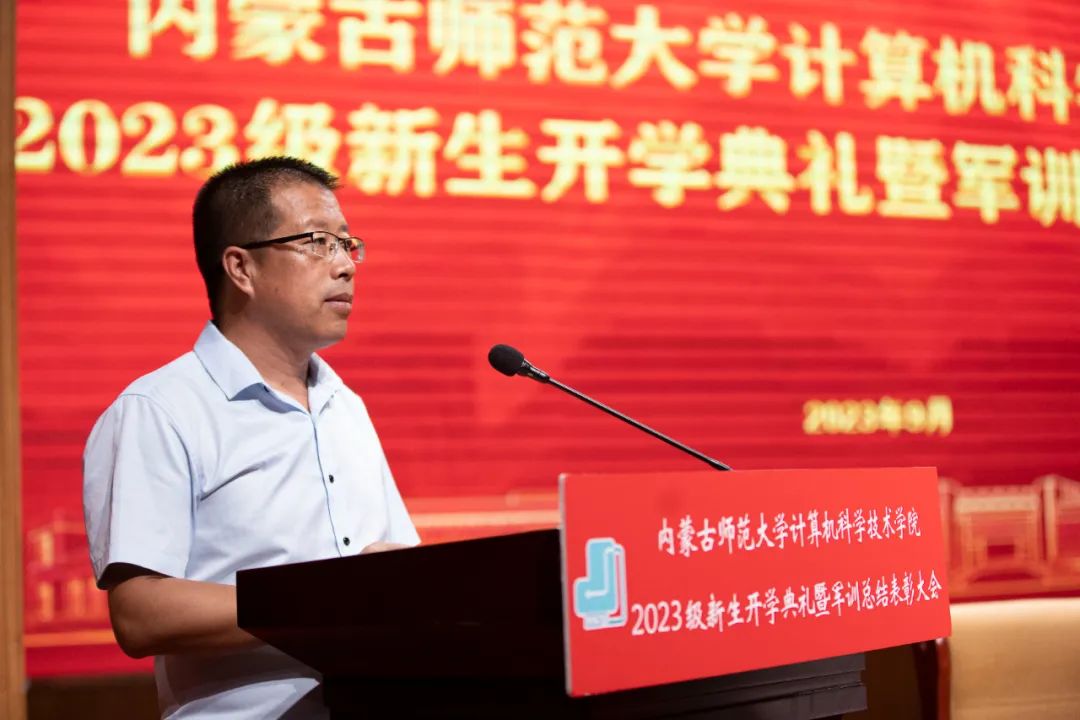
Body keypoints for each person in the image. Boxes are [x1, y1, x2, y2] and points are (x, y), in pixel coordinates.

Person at [82, 156, 419, 719]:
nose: (345, 266)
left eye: (347, 244)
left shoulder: (346, 407)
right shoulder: (160, 409)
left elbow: (388, 569)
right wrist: (327, 602)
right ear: (241, 268)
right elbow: (140, 614)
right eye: (318, 242)